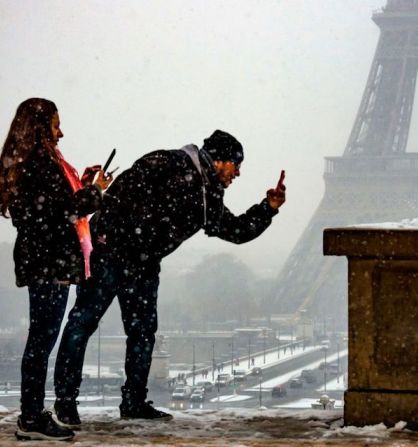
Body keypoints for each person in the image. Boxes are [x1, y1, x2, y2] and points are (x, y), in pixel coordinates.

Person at [53, 130, 286, 426]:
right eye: (235, 164)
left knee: (135, 331)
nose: (238, 173)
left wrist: (268, 209)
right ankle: (67, 401)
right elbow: (118, 197)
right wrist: (119, 239)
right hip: (111, 253)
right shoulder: (168, 164)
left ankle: (132, 401)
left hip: (141, 262)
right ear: (218, 160)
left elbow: (235, 231)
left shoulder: (207, 193)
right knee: (88, 323)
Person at [0, 98, 111, 441]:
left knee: (40, 341)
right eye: (56, 124)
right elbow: (62, 213)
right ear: (41, 126)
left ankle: (31, 415)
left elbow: (53, 208)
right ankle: (30, 418)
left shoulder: (31, 162)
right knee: (41, 342)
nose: (61, 132)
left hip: (44, 260)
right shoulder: (40, 163)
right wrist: (94, 193)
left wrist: (85, 187)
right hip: (49, 262)